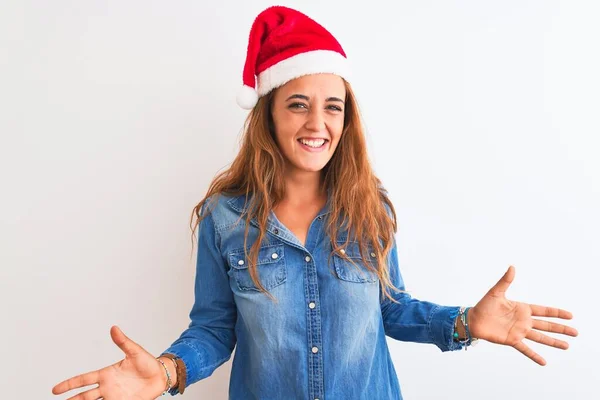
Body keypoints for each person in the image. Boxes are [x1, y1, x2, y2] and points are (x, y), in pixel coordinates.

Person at [51, 5, 578, 400]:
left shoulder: (373, 210)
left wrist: (465, 322)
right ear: (269, 115)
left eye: (333, 107)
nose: (316, 124)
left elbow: (392, 310)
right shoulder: (225, 218)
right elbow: (215, 329)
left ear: (346, 120)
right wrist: (166, 372)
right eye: (298, 104)